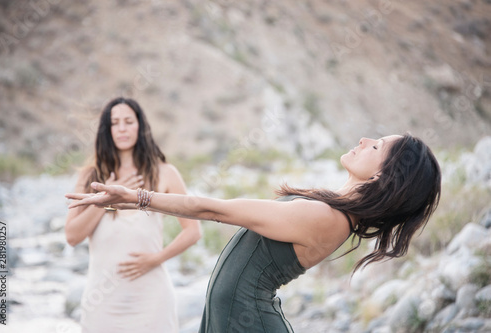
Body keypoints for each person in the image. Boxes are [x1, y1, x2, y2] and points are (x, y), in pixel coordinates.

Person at [66, 133, 441, 333]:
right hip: (232, 317)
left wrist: (137, 197)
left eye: (375, 146)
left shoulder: (329, 218)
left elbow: (215, 209)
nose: (362, 140)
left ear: (381, 176)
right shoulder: (336, 211)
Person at [65, 97, 201, 333]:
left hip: (152, 299)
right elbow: (72, 236)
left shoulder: (165, 173)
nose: (122, 128)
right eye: (115, 123)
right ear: (107, 130)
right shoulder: (90, 176)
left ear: (140, 125)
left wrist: (156, 259)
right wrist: (110, 198)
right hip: (102, 302)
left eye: (128, 121)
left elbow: (193, 231)